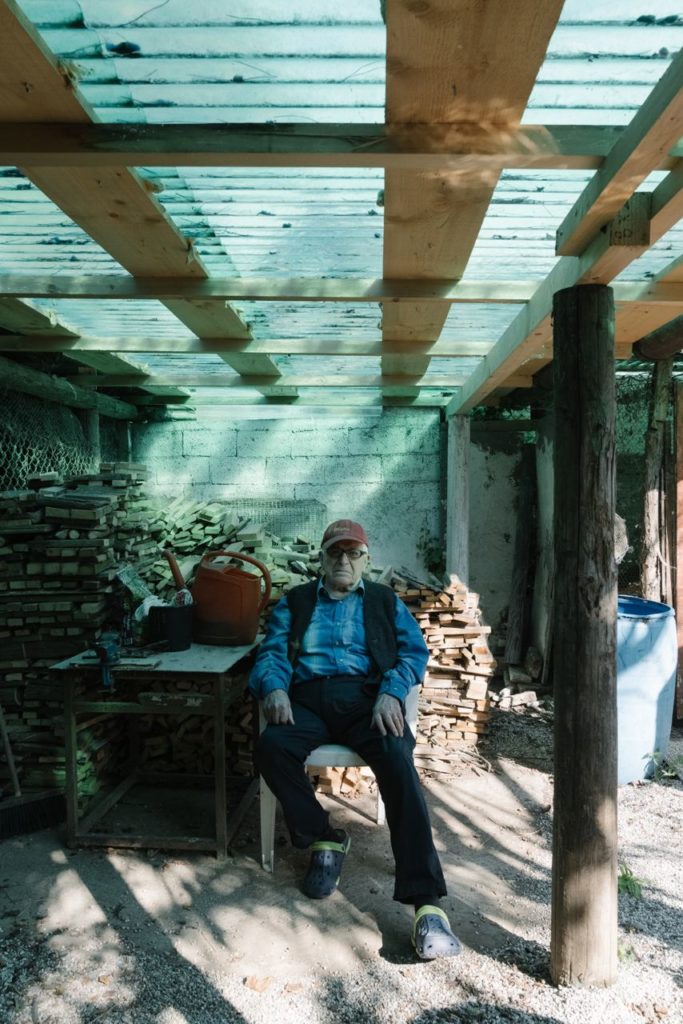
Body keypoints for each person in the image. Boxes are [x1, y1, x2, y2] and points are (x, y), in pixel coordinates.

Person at [250, 518, 462, 960]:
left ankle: (426, 904)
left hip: (367, 699)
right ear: (321, 560)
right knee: (271, 747)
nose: (343, 560)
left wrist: (391, 692)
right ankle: (324, 836)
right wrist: (272, 685)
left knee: (397, 760)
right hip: (306, 700)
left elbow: (413, 653)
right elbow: (271, 651)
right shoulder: (297, 602)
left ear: (366, 561)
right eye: (334, 553)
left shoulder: (384, 601)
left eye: (353, 553)